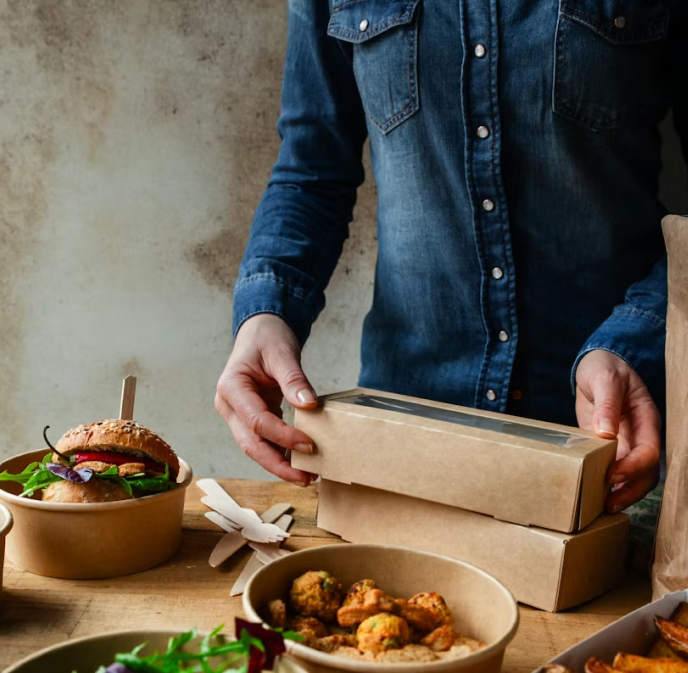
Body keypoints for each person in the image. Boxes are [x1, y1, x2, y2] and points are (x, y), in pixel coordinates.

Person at [216, 0, 687, 513]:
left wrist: (635, 339)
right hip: (405, 437)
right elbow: (311, 169)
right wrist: (267, 313)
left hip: (609, 438)